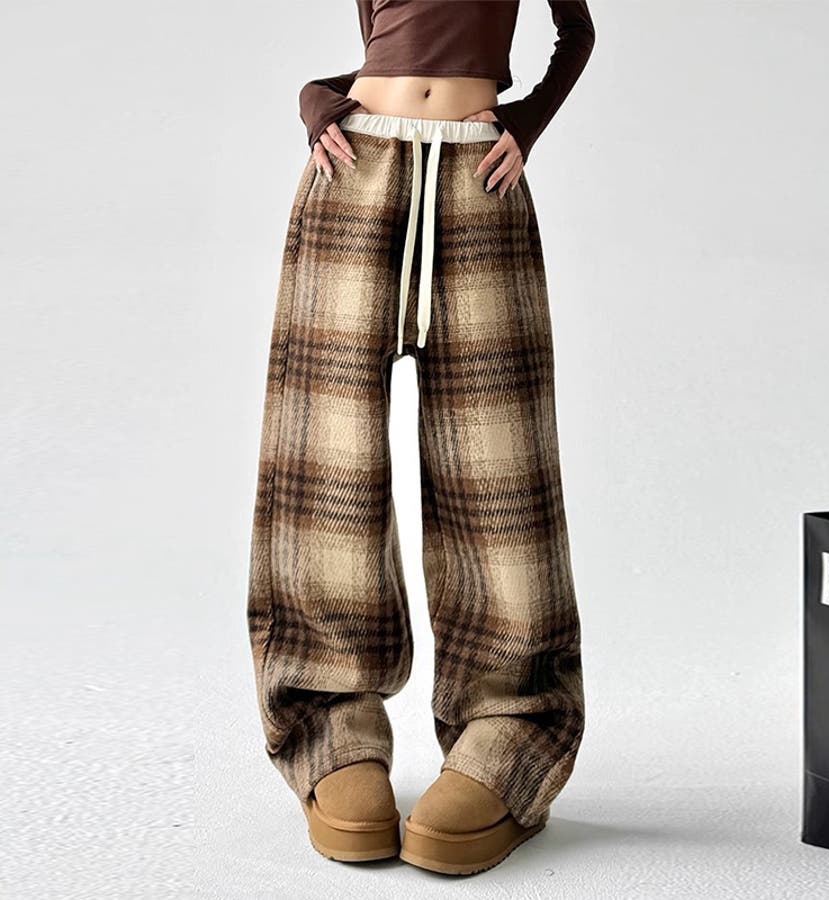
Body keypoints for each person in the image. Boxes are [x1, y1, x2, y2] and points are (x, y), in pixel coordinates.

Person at [246, 0, 595, 876]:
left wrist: (525, 125)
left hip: (482, 178)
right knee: (327, 463)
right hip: (354, 168)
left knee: (501, 472)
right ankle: (332, 725)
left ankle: (511, 726)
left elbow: (576, 32)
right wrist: (318, 101)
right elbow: (382, 46)